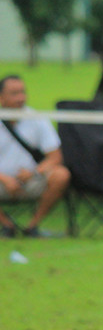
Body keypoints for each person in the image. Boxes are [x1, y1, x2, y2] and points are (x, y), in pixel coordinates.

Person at [0, 75, 71, 238]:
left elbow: (55, 157)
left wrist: (33, 173)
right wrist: (4, 178)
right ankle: (6, 226)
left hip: (30, 180)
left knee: (61, 175)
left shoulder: (37, 118)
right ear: (1, 97)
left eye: (22, 92)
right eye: (14, 93)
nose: (21, 98)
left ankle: (32, 227)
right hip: (2, 182)